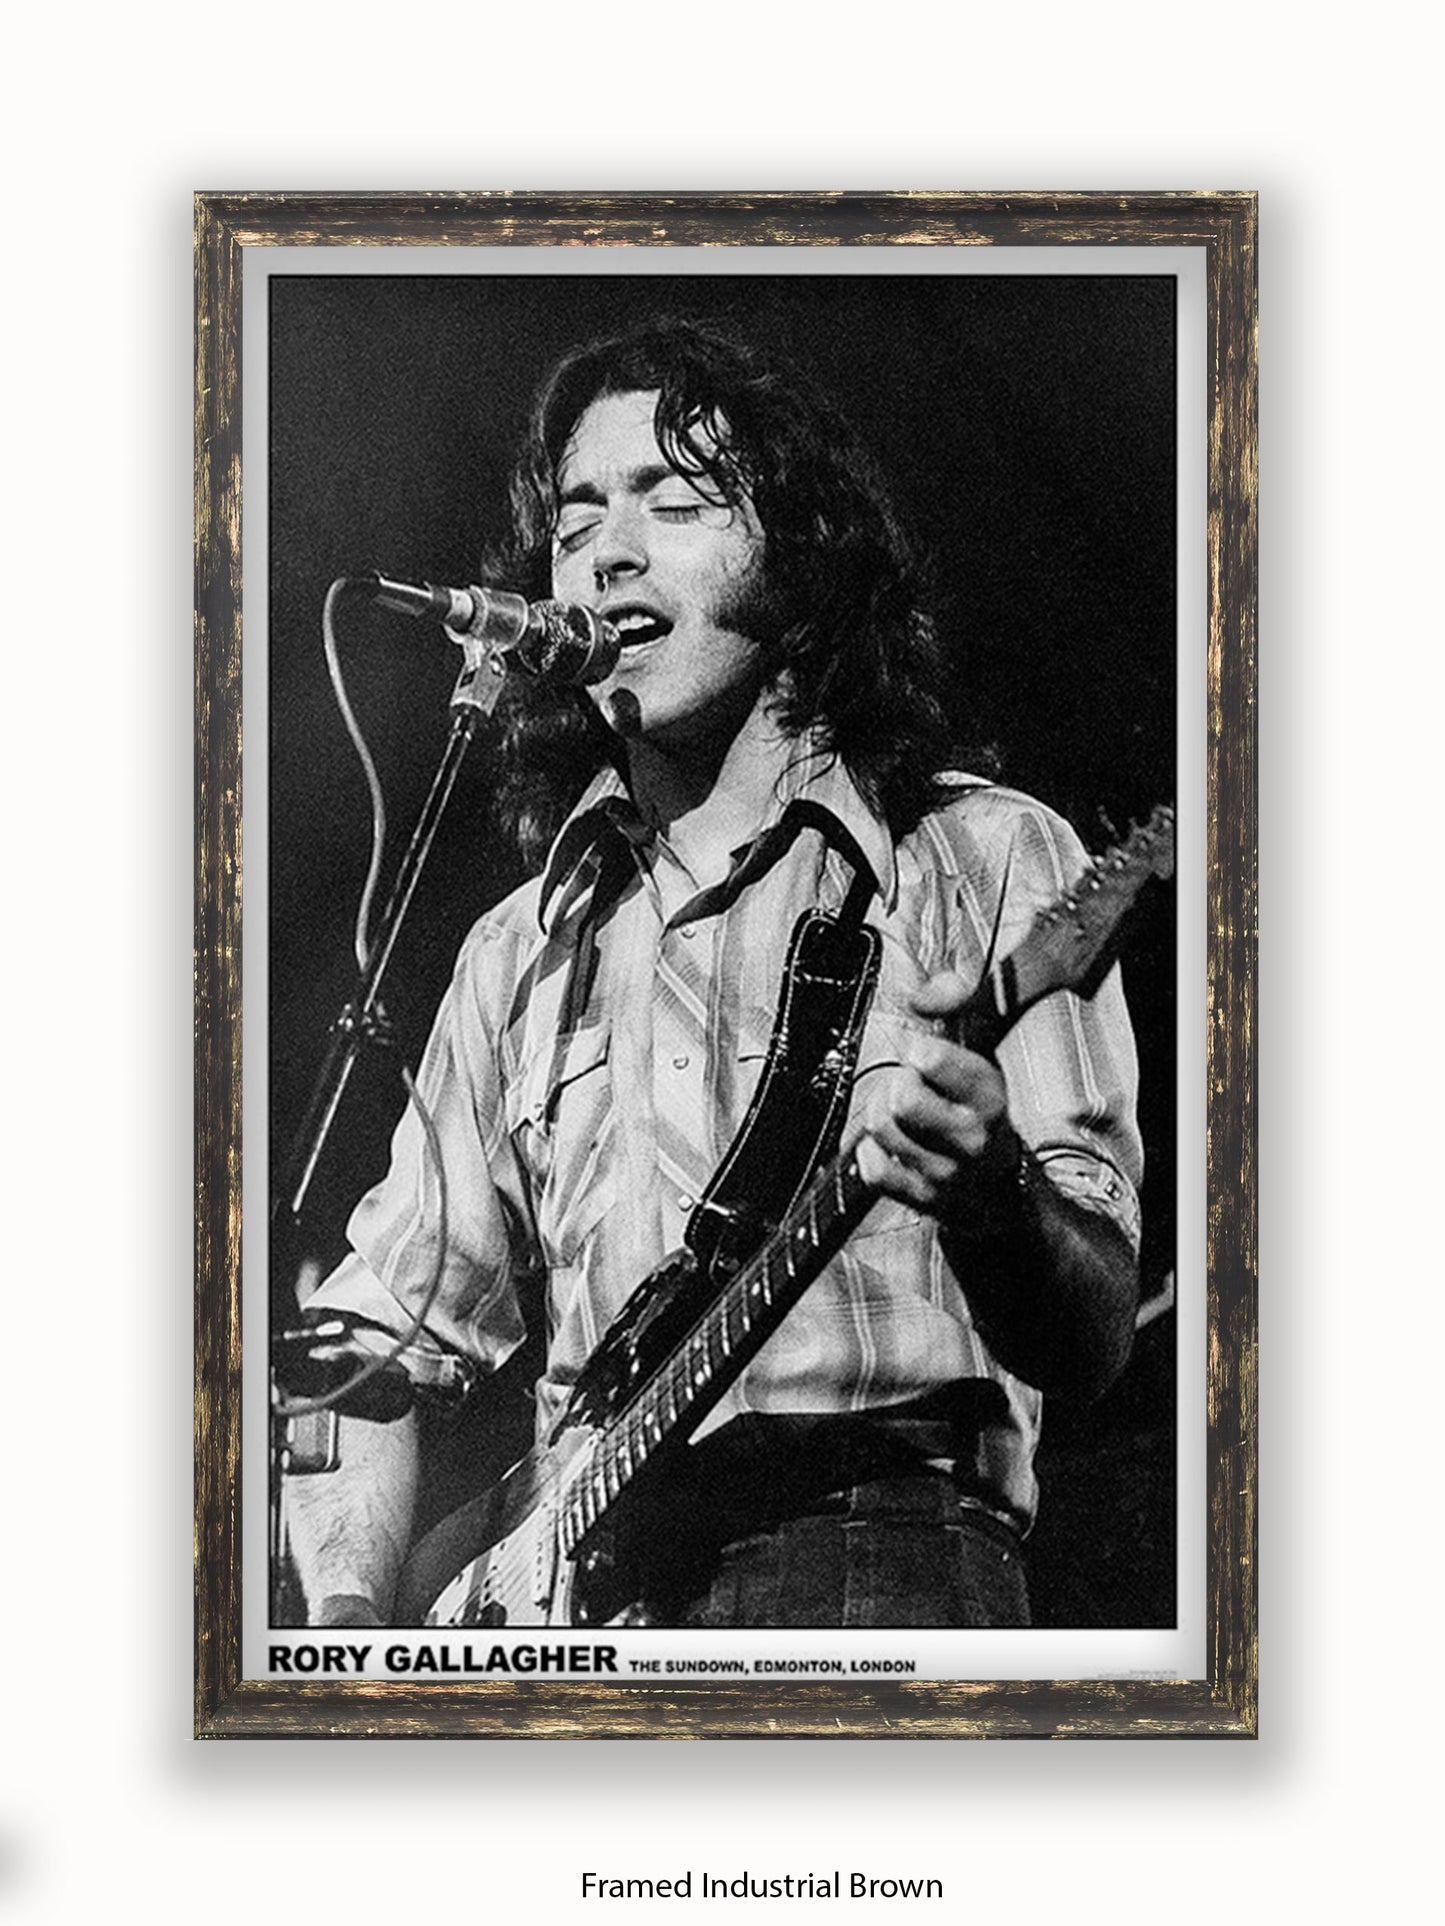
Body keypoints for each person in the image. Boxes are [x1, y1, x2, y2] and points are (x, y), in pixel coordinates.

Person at [283, 318, 1143, 1632]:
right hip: (587, 1615)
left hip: (877, 1556)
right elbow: (364, 1355)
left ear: (800, 559)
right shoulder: (516, 955)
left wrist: (993, 1200)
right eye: (576, 522)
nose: (607, 551)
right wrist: (353, 1635)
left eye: (672, 503)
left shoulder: (981, 857)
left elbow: (1092, 1335)